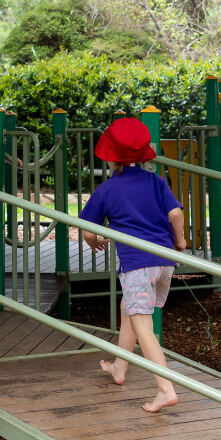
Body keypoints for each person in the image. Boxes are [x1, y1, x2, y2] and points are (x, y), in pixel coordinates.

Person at [78, 116, 185, 413]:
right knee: (131, 310)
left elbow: (87, 229)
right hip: (165, 263)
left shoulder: (108, 190)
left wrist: (93, 242)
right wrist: (181, 242)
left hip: (137, 265)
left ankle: (165, 389)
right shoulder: (156, 181)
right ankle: (119, 368)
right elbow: (175, 215)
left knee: (143, 325)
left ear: (111, 158)